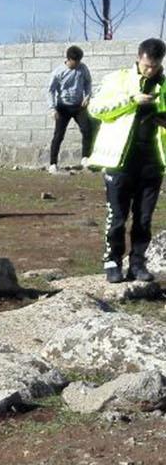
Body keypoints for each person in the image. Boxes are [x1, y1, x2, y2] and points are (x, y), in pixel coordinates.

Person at [86, 37, 166, 283]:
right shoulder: (117, 79)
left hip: (153, 162)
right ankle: (112, 261)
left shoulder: (164, 85)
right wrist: (131, 101)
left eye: (155, 66)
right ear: (138, 58)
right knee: (117, 217)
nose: (150, 70)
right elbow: (96, 109)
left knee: (144, 218)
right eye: (146, 65)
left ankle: (137, 264)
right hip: (119, 161)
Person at [47, 45, 94, 173]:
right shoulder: (58, 72)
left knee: (87, 129)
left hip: (79, 106)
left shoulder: (83, 68)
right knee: (59, 135)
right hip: (63, 107)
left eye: (79, 61)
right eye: (75, 62)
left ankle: (85, 158)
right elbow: (50, 90)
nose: (77, 64)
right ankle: (53, 163)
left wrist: (87, 96)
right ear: (68, 59)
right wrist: (52, 108)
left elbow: (88, 83)